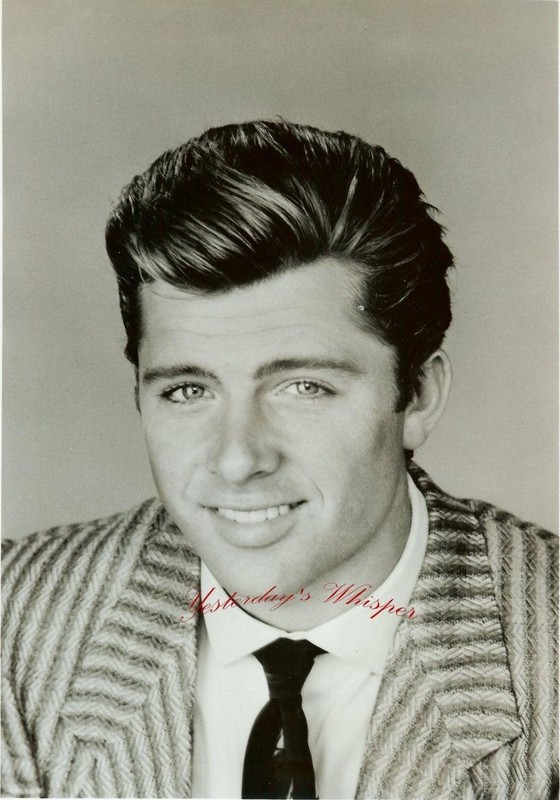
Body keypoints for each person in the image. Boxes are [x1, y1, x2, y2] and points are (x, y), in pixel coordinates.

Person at [2, 120, 557, 800]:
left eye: (303, 388)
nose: (237, 460)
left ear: (416, 395)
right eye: (188, 390)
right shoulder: (14, 624)